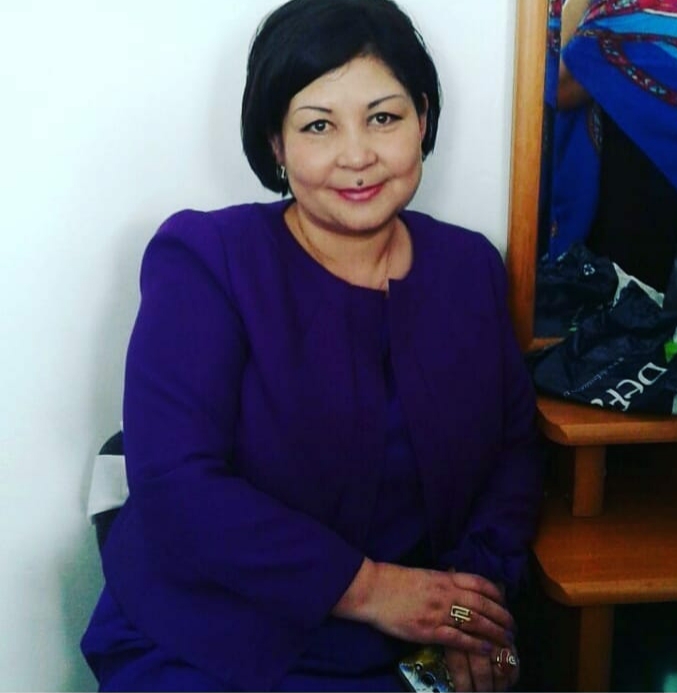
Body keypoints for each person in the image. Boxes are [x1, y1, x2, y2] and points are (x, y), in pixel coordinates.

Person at [80, 0, 544, 690]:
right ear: (276, 142)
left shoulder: (469, 267)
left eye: (383, 118)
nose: (357, 156)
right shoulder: (208, 259)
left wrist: (468, 611)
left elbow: (513, 450)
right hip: (211, 633)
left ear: (422, 118)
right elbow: (176, 484)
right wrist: (374, 588)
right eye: (318, 125)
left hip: (406, 635)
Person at [544, 0, 677, 292]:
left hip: (654, 217)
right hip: (655, 214)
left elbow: (555, 87)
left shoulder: (614, 17)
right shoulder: (611, 15)